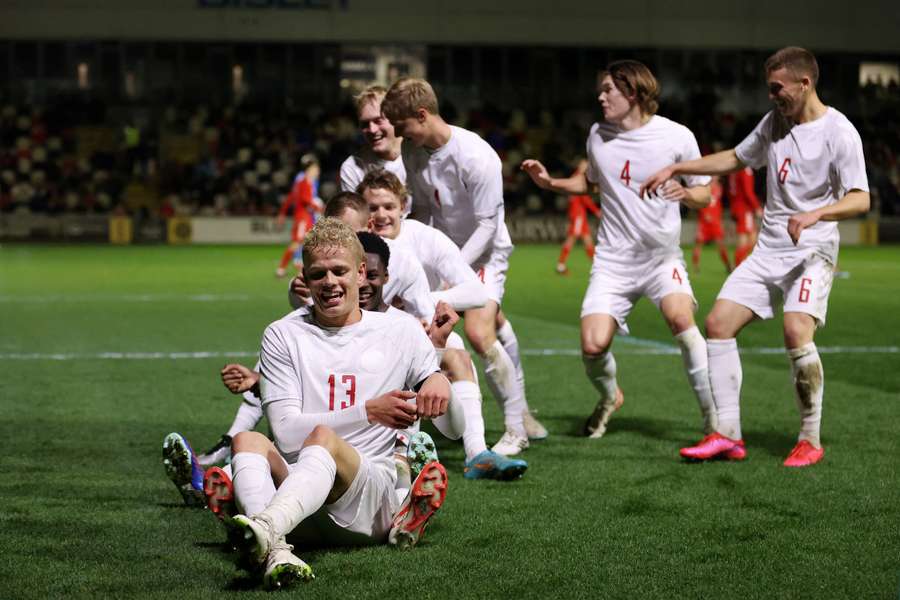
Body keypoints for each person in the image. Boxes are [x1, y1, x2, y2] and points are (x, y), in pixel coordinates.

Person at [641, 47, 870, 467]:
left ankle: (809, 438)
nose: (772, 97)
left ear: (806, 83)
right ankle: (727, 435)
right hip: (769, 248)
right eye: (769, 88)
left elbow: (860, 199)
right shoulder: (775, 123)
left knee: (795, 330)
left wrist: (818, 213)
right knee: (718, 324)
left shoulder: (840, 132)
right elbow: (735, 158)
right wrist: (677, 168)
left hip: (813, 249)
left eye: (777, 88)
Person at [226, 218, 451, 589]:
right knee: (247, 441)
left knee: (322, 439)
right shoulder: (283, 334)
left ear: (361, 272)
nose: (329, 282)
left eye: (339, 271)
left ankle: (264, 526)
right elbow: (283, 433)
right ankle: (276, 550)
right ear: (305, 278)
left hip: (366, 508)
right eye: (318, 274)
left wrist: (439, 378)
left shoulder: (400, 330)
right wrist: (368, 411)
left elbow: (438, 392)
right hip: (300, 503)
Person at [521, 60, 718, 442]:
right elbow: (590, 183)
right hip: (613, 263)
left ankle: (713, 420)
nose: (601, 96)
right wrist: (550, 183)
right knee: (592, 345)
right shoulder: (598, 134)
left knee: (682, 321)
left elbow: (706, 194)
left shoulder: (677, 136)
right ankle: (611, 396)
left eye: (608, 89)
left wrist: (687, 194)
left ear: (633, 92)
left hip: (662, 259)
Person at [345, 84, 546, 443]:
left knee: (478, 332)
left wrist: (456, 273)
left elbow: (488, 224)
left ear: (422, 116)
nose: (399, 135)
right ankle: (523, 412)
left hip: (485, 252)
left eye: (402, 125)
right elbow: (421, 210)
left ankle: (516, 429)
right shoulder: (415, 151)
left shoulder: (477, 156)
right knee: (494, 324)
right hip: (445, 249)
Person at [358, 169, 529, 479]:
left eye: (388, 206)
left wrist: (420, 300)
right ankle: (397, 453)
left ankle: (476, 452)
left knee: (457, 349)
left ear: (404, 206)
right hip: (365, 336)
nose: (381, 214)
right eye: (372, 207)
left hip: (422, 332)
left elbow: (476, 291)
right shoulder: (355, 242)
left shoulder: (425, 239)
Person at [340, 86, 407, 197]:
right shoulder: (352, 168)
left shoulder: (420, 156)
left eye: (378, 120)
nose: (372, 130)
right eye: (365, 124)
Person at [275, 153, 321, 278]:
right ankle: (281, 268)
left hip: (307, 217)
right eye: (316, 169)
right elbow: (304, 199)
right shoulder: (304, 182)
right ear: (310, 170)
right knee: (297, 242)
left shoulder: (309, 182)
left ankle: (303, 267)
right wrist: (319, 207)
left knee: (309, 242)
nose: (318, 172)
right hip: (303, 218)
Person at [557, 159, 602, 275]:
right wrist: (596, 211)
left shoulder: (574, 177)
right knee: (572, 238)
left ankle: (596, 266)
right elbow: (584, 198)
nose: (586, 168)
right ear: (580, 166)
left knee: (587, 239)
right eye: (585, 166)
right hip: (578, 214)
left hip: (578, 213)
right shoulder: (579, 178)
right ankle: (561, 265)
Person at [692, 175, 732, 273]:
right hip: (704, 222)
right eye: (713, 175)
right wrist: (705, 213)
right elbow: (700, 202)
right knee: (698, 244)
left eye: (716, 175)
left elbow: (718, 205)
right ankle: (695, 267)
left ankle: (728, 266)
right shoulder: (705, 188)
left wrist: (719, 219)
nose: (715, 177)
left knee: (721, 245)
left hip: (716, 222)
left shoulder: (719, 188)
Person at [727, 165, 762, 266]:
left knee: (747, 237)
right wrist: (756, 207)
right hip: (745, 208)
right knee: (750, 239)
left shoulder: (734, 170)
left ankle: (740, 263)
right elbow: (748, 192)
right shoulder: (745, 170)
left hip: (736, 207)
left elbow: (731, 191)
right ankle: (738, 264)